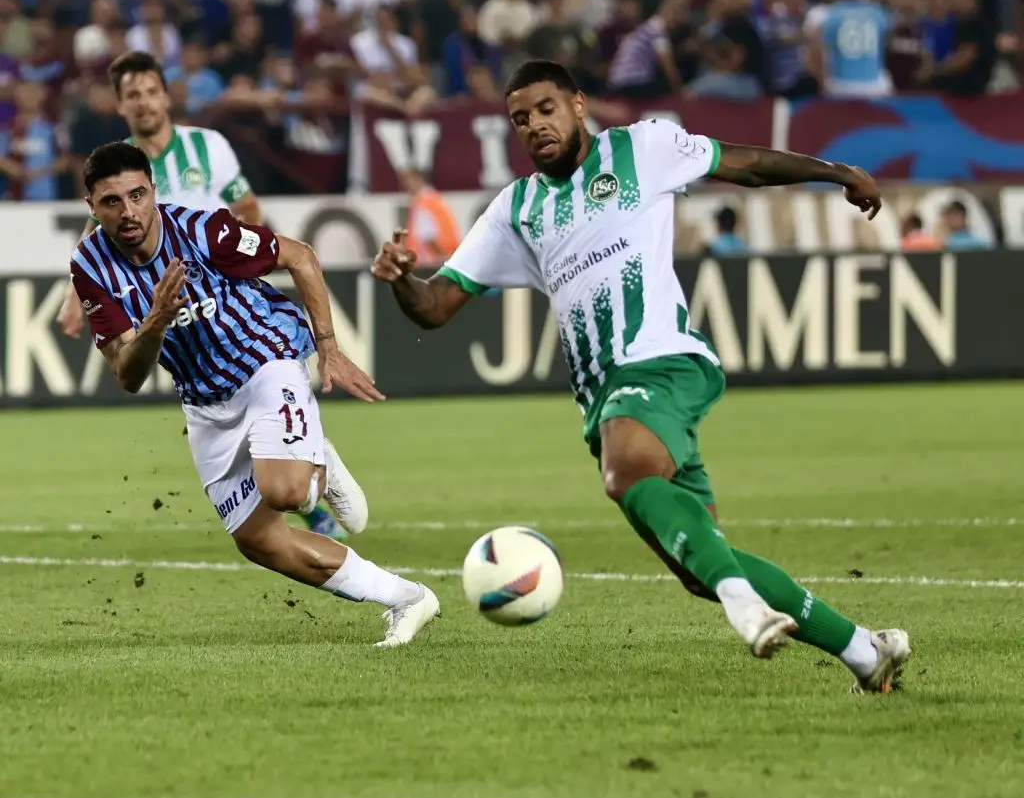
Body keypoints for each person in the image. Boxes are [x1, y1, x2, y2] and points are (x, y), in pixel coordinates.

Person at [371, 59, 911, 693]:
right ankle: (864, 653)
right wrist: (403, 278)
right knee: (696, 564)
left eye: (546, 109)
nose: (535, 126)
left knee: (626, 475)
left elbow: (745, 164)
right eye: (521, 119)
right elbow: (437, 308)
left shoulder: (643, 147)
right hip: (604, 399)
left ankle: (744, 607)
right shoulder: (516, 209)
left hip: (663, 359)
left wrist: (835, 172)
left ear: (577, 104)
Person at [72, 142, 441, 647]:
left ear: (153, 191)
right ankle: (408, 598)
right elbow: (128, 374)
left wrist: (329, 349)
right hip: (204, 402)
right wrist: (155, 323)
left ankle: (316, 465)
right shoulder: (90, 265)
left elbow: (301, 258)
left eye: (138, 195)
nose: (129, 211)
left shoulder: (203, 230)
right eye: (112, 201)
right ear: (91, 206)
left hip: (265, 361)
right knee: (258, 540)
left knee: (285, 493)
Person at [56, 50, 356, 539]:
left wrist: (246, 260)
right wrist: (77, 300)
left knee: (259, 389)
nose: (145, 102)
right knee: (215, 406)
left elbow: (246, 205)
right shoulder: (118, 168)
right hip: (174, 314)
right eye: (133, 95)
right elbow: (97, 241)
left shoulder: (208, 146)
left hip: (223, 288)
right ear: (120, 105)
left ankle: (305, 485)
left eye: (152, 91)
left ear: (166, 95)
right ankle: (302, 479)